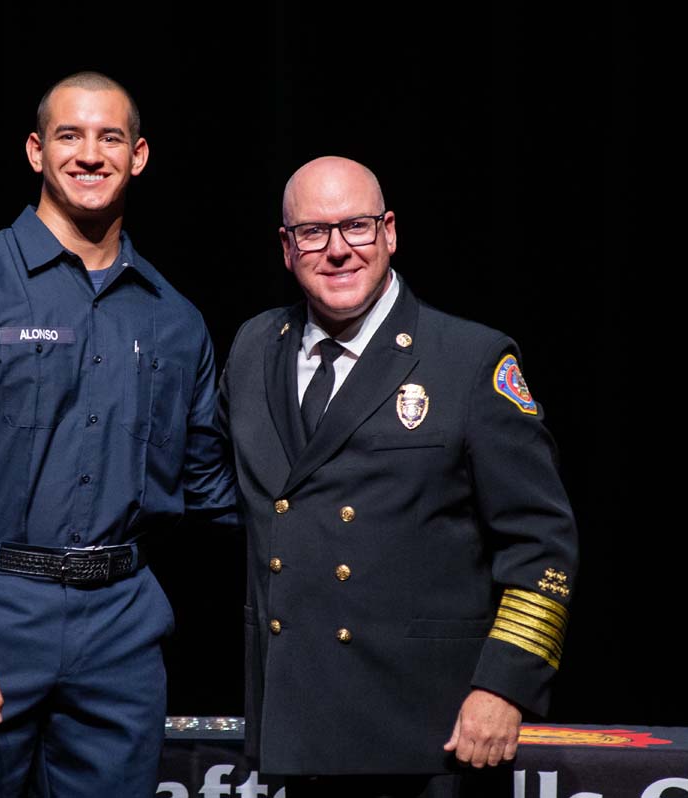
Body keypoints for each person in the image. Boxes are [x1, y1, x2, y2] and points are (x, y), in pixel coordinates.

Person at [0, 71, 235, 797]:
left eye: (111, 137)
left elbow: (211, 491)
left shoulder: (176, 319)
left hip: (121, 635)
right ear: (36, 151)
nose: (90, 153)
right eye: (69, 135)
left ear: (139, 156)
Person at [217, 156, 579, 797]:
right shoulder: (252, 349)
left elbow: (541, 543)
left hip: (424, 732)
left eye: (356, 227)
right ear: (286, 246)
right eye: (313, 232)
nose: (337, 251)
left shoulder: (469, 360)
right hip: (293, 723)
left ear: (389, 232)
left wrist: (504, 684)